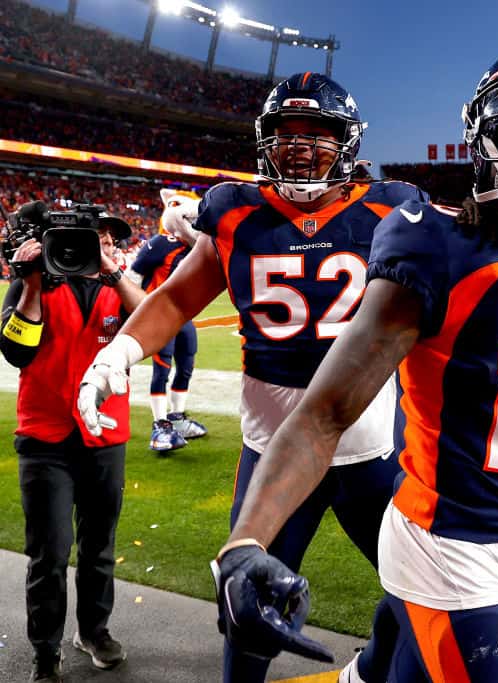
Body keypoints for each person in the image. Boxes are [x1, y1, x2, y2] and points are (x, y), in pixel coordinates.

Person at [210, 43, 498, 682]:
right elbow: (325, 412)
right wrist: (244, 544)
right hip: (444, 549)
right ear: (486, 128)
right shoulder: (438, 246)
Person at [77, 72, 428, 683]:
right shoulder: (235, 213)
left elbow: (484, 273)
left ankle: (369, 668)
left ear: (346, 144)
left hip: (373, 448)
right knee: (245, 613)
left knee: (427, 594)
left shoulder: (392, 209)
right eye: (286, 133)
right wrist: (120, 353)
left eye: (316, 134)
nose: (298, 147)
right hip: (273, 448)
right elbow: (174, 299)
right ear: (264, 141)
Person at [0, 202, 145, 682]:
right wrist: (33, 286)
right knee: (51, 550)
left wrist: (114, 274)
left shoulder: (117, 287)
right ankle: (46, 650)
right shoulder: (32, 282)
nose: (99, 247)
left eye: (107, 240)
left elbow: (156, 325)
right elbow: (16, 351)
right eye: (91, 239)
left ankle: (93, 630)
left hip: (104, 433)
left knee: (99, 546)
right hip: (45, 436)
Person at [129, 189, 208, 452]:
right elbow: (133, 276)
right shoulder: (160, 243)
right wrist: (137, 309)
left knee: (186, 366)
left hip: (185, 316)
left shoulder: (198, 245)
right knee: (161, 370)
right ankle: (159, 425)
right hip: (161, 315)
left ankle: (177, 416)